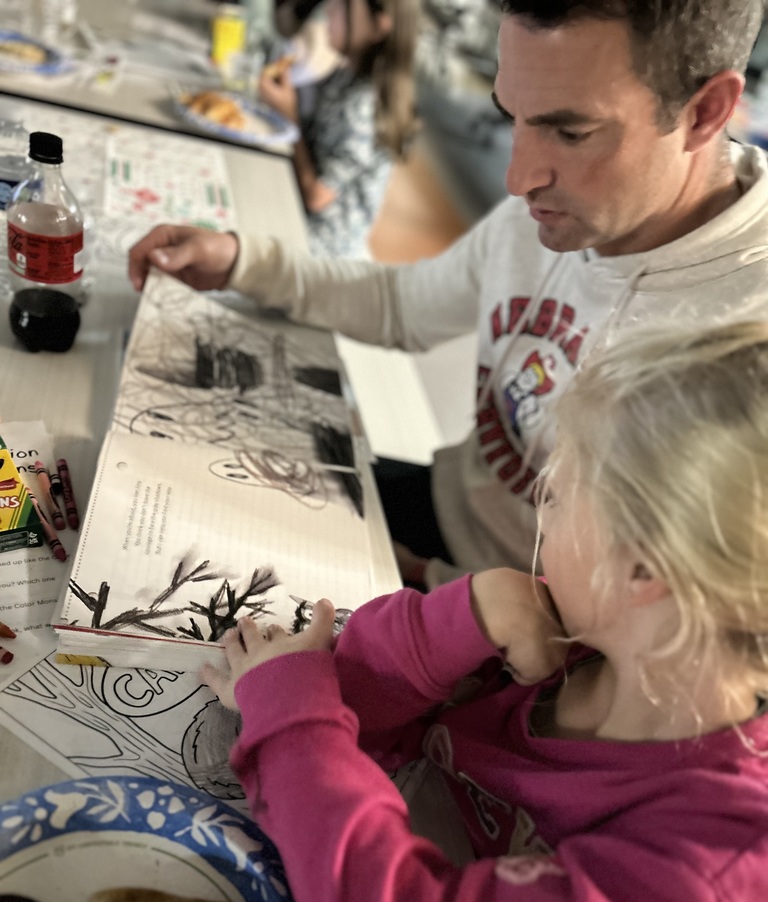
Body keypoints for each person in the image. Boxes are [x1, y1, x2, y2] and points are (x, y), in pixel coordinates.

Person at [200, 321, 768, 902]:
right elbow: (356, 708)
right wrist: (463, 616)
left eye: (561, 492)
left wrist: (288, 716)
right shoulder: (585, 637)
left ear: (644, 568)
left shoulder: (717, 876)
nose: (539, 503)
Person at [129, 0, 768, 588]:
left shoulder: (745, 342)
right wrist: (244, 263)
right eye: (510, 117)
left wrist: (429, 592)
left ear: (705, 111)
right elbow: (404, 306)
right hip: (441, 515)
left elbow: (666, 642)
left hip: (526, 639)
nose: (518, 180)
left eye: (570, 133)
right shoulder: (562, 205)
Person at [259, 0, 419, 258]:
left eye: (344, 5)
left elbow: (318, 197)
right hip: (303, 217)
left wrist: (289, 118)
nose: (329, 9)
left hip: (322, 247)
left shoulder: (361, 103)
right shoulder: (345, 75)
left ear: (379, 27)